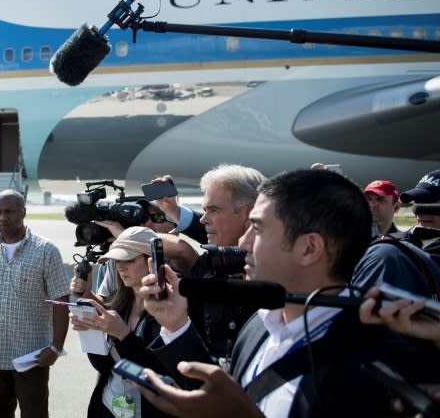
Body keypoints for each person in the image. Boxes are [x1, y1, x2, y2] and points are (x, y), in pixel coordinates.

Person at [138, 168, 438, 417]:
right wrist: (176, 324)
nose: (243, 243)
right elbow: (226, 398)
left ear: (310, 248)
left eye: (258, 228)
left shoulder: (375, 368)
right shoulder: (261, 324)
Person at [70, 226, 202, 418]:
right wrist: (92, 330)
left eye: (129, 260)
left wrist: (123, 335)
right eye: (117, 261)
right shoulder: (117, 303)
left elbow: (166, 376)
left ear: (152, 261)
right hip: (108, 406)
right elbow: (105, 367)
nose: (121, 267)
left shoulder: (173, 307)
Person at [0, 189, 70, 418]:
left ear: (23, 213)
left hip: (31, 358)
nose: (2, 217)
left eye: (9, 212)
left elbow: (61, 301)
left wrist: (55, 347)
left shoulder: (46, 250)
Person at [152, 164, 267, 360]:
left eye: (213, 210)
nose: (204, 219)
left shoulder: (281, 272)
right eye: (204, 210)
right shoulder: (208, 265)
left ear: (248, 213)